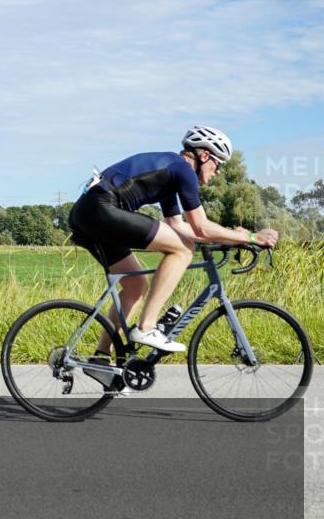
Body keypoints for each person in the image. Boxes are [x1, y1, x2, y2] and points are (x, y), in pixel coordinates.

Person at [68, 126, 278, 358]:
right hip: (102, 209)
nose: (218, 172)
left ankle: (102, 357)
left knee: (136, 287)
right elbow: (201, 227)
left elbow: (178, 226)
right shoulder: (182, 170)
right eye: (218, 164)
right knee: (183, 250)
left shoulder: (171, 172)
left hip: (88, 213)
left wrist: (231, 236)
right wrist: (250, 237)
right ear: (204, 155)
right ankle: (146, 327)